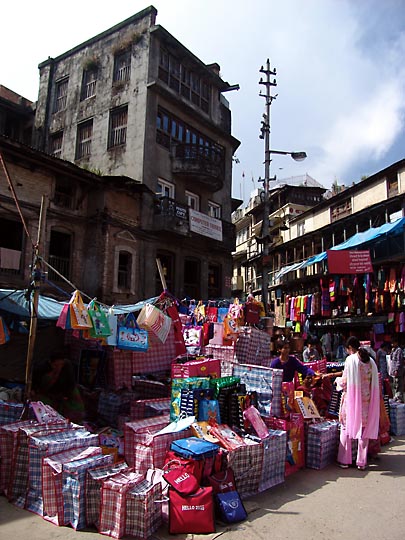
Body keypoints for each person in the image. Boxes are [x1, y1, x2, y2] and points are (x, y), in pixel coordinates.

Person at [336, 336, 380, 470]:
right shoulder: (370, 361)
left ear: (349, 348)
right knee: (364, 432)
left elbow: (345, 382)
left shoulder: (351, 360)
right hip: (367, 401)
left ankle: (345, 460)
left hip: (351, 401)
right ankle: (361, 462)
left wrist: (337, 381)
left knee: (346, 428)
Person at [32, 348, 85, 424]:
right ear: (50, 363)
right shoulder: (43, 369)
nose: (59, 367)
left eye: (61, 365)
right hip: (49, 396)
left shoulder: (67, 368)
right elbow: (40, 386)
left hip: (66, 394)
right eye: (56, 365)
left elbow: (70, 384)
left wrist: (65, 396)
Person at [390, 336, 404, 403]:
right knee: (395, 384)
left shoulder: (399, 350)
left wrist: (396, 370)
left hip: (398, 371)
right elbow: (391, 359)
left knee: (398, 384)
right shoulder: (394, 350)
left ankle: (399, 397)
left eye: (393, 343)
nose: (392, 345)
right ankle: (395, 396)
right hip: (393, 371)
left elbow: (399, 361)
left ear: (396, 343)